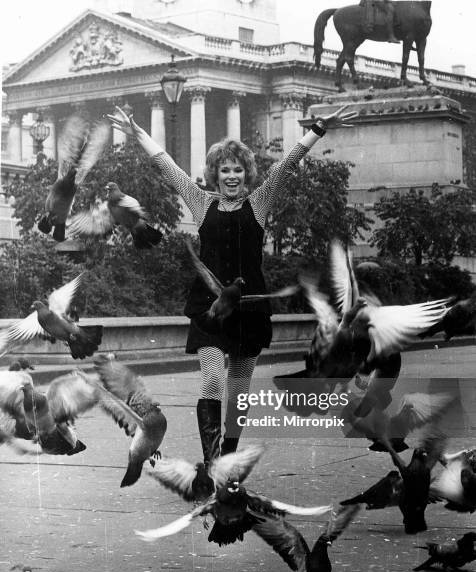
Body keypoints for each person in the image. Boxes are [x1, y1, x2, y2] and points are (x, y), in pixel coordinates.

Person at [108, 104, 356, 469]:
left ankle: (228, 455)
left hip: (250, 306)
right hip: (210, 308)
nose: (231, 176)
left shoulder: (259, 203)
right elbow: (168, 167)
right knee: (211, 380)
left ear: (247, 174)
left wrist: (318, 127)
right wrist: (137, 134)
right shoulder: (200, 202)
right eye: (224, 170)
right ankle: (210, 461)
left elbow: (287, 165)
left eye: (238, 169)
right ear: (214, 174)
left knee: (239, 389)